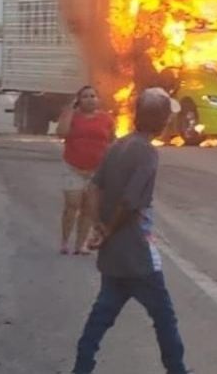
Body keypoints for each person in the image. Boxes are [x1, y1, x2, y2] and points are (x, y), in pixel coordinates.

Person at [72, 88, 189, 374]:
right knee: (164, 316)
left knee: (101, 315)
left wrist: (99, 224)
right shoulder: (147, 152)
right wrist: (109, 229)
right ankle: (177, 370)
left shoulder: (118, 145)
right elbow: (131, 201)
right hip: (136, 252)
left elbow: (94, 188)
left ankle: (82, 367)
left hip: (115, 254)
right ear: (160, 120)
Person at [56, 85, 115, 255]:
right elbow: (61, 133)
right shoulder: (72, 116)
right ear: (79, 100)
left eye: (93, 96)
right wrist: (68, 112)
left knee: (89, 209)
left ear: (99, 99)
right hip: (73, 167)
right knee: (72, 205)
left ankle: (80, 244)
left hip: (96, 171)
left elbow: (111, 140)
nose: (90, 99)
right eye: (85, 96)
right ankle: (65, 241)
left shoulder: (107, 119)